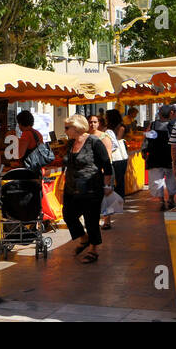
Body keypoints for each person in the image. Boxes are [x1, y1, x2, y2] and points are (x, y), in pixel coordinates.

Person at [61, 113, 114, 263]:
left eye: (67, 128)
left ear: (76, 128)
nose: (65, 131)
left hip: (91, 187)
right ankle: (84, 238)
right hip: (71, 187)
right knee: (68, 215)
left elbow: (107, 166)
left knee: (91, 219)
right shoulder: (71, 143)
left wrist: (107, 185)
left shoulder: (94, 142)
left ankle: (93, 249)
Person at [143, 105, 176, 210]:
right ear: (171, 113)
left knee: (157, 180)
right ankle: (169, 199)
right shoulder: (174, 125)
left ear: (159, 113)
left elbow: (146, 139)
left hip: (156, 156)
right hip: (167, 156)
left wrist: (144, 151)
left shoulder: (153, 125)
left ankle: (162, 201)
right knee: (171, 179)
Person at [105, 108, 130, 199]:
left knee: (119, 180)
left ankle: (120, 198)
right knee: (116, 179)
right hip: (117, 156)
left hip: (119, 156)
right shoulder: (110, 128)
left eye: (107, 116)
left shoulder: (120, 127)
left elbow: (117, 140)